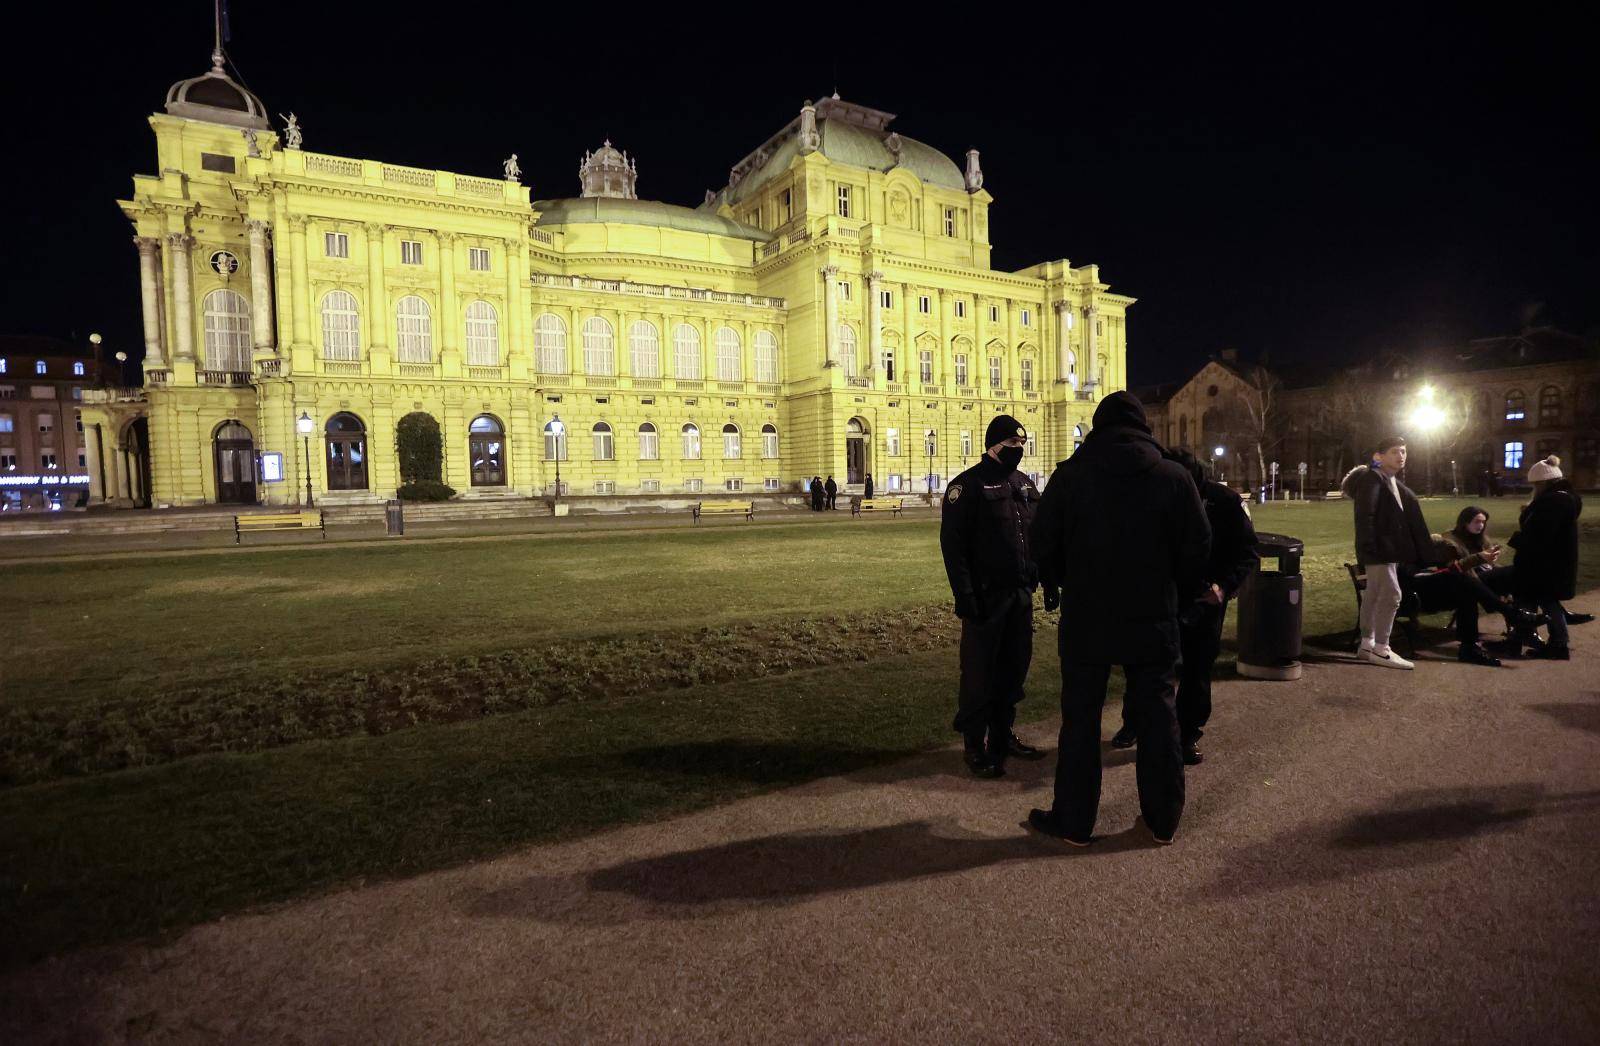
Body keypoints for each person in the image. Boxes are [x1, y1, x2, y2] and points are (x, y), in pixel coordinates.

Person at [1027, 392, 1210, 846]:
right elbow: (1198, 548)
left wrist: (1057, 582)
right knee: (1158, 717)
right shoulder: (1173, 476)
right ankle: (1163, 819)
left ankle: (1074, 820)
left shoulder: (1071, 476)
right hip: (1152, 613)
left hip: (1088, 613)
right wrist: (1179, 595)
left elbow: (1041, 541)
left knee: (1081, 720)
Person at [1111, 448, 1257, 765]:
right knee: (1145, 665)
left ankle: (1187, 734)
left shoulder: (1225, 502)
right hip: (1160, 597)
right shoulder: (1155, 496)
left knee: (1197, 670)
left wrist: (1223, 587)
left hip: (1205, 601)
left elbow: (1247, 554)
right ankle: (1133, 723)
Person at [939, 413, 1045, 779]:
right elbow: (954, 548)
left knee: (1014, 669)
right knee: (979, 673)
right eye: (1012, 444)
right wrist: (964, 594)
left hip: (1019, 596)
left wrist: (1045, 580)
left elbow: (1038, 537)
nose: (1019, 450)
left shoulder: (1026, 486)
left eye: (1021, 444)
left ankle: (1003, 735)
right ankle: (974, 744)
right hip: (985, 600)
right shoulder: (966, 488)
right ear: (994, 446)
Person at [1341, 436, 1433, 670]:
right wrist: (1370, 547)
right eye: (1394, 451)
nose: (1401, 455)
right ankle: (1382, 648)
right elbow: (1365, 516)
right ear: (1378, 457)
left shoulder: (1388, 480)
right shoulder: (1373, 479)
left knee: (1373, 595)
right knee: (1392, 595)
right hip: (1379, 550)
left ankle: (1366, 644)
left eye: (1403, 451)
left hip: (1386, 550)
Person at [1508, 455, 1583, 659]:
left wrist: (1518, 539)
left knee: (1547, 600)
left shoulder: (1554, 501)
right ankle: (1524, 637)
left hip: (1546, 563)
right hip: (1551, 562)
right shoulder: (1562, 498)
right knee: (1541, 599)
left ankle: (1558, 643)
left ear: (1542, 483)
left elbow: (1539, 535)